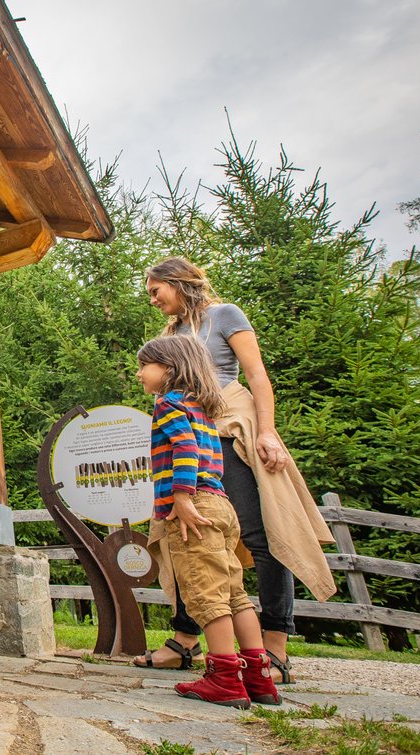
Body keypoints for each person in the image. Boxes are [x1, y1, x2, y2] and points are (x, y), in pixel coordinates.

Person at [137, 257, 335, 682]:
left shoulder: (226, 316)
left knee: (263, 534)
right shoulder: (170, 335)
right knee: (186, 537)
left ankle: (274, 649)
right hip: (194, 426)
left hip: (230, 429)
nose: (152, 300)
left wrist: (268, 432)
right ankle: (185, 640)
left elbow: (256, 374)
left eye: (156, 291)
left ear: (178, 282)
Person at [137, 335, 281, 708]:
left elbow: (184, 448)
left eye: (144, 366)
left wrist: (181, 496)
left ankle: (223, 679)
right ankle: (258, 675)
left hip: (193, 507)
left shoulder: (168, 404)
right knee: (236, 595)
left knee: (206, 593)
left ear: (168, 369)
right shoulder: (203, 408)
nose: (139, 373)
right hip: (220, 503)